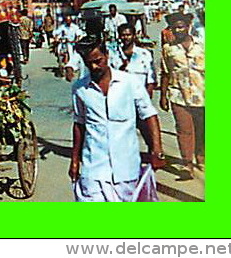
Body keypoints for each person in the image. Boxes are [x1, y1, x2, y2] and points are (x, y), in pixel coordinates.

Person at [69, 37, 165, 201]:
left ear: (106, 55)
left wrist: (157, 149)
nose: (94, 66)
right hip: (94, 167)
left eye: (97, 61)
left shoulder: (129, 82)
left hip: (126, 168)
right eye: (88, 63)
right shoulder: (80, 89)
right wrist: (75, 160)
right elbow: (79, 124)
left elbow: (149, 114)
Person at [160, 13, 205, 179]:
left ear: (188, 27)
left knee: (202, 129)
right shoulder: (168, 49)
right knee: (184, 130)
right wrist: (163, 96)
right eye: (175, 27)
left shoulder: (202, 45)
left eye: (181, 26)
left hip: (202, 95)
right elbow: (165, 73)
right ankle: (187, 165)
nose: (178, 30)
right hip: (178, 95)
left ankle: (201, 157)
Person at [116, 23, 156, 97]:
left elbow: (151, 77)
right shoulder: (114, 54)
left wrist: (148, 93)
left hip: (140, 93)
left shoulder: (144, 54)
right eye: (123, 35)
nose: (125, 37)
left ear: (134, 36)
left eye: (128, 35)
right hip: (121, 94)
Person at [53, 12, 84, 77]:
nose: (68, 22)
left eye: (69, 20)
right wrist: (56, 38)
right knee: (58, 50)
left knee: (71, 53)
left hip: (71, 43)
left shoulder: (74, 27)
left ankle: (72, 66)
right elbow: (56, 32)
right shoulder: (63, 26)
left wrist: (76, 40)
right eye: (67, 20)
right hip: (63, 42)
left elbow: (79, 34)